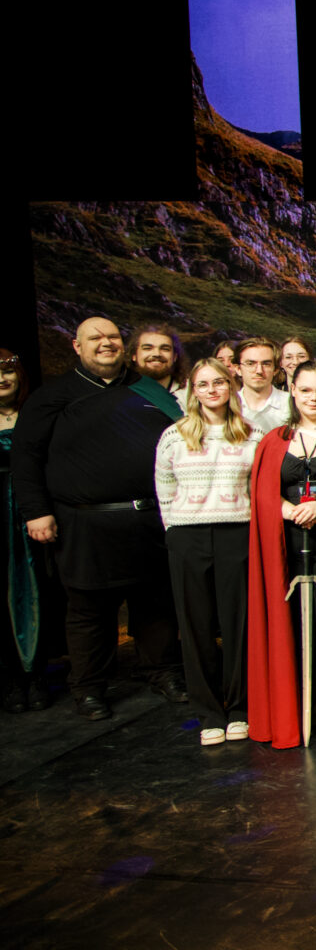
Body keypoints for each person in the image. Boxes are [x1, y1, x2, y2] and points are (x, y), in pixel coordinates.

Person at [13, 318, 186, 719]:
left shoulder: (149, 391)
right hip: (83, 524)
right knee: (89, 612)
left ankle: (162, 672)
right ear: (77, 346)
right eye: (95, 338)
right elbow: (26, 457)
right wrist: (37, 512)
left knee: (156, 605)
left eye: (112, 337)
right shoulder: (52, 396)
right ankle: (89, 687)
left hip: (148, 519)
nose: (105, 343)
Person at [246, 359, 316, 747]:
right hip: (289, 546)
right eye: (306, 390)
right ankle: (293, 707)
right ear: (293, 390)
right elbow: (262, 491)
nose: (314, 398)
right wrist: (288, 510)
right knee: (290, 627)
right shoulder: (275, 439)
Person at [155, 359, 264, 745]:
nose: (212, 390)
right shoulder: (174, 435)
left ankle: (240, 708)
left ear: (230, 387)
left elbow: (259, 489)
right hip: (188, 536)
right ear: (193, 391)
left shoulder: (252, 434)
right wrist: (173, 531)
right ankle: (209, 713)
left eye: (219, 382)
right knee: (196, 625)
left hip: (237, 533)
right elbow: (164, 486)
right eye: (203, 384)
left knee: (238, 624)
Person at [0, 349, 61, 712]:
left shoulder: (36, 414)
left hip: (32, 512)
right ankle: (10, 677)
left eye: (7, 371)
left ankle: (36, 673)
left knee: (38, 590)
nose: (1, 379)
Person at [233, 337, 291, 430]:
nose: (259, 371)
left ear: (276, 369)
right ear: (238, 369)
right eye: (250, 363)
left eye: (266, 364)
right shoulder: (228, 405)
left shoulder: (291, 404)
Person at [132, 324, 189, 410]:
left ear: (175, 357)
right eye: (148, 348)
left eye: (165, 349)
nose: (157, 354)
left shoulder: (192, 392)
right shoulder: (120, 392)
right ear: (134, 355)